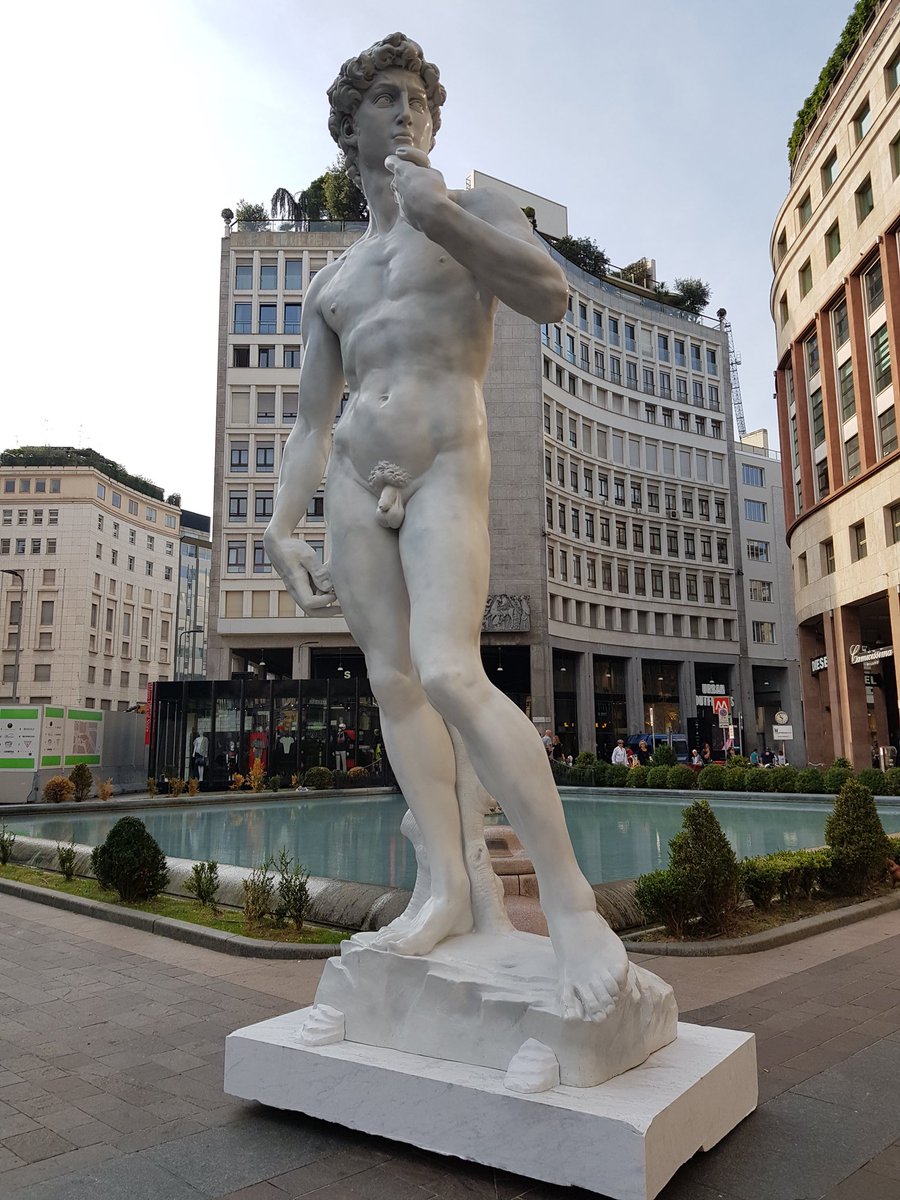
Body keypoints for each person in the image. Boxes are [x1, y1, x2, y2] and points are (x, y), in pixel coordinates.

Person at [263, 32, 627, 1020]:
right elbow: (309, 422)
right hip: (354, 476)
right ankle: (447, 889)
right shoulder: (332, 284)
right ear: (349, 128)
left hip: (445, 464)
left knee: (451, 670)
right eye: (387, 98)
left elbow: (548, 296)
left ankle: (572, 905)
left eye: (420, 100)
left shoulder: (475, 212)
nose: (409, 113)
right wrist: (282, 525)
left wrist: (445, 220)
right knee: (393, 682)